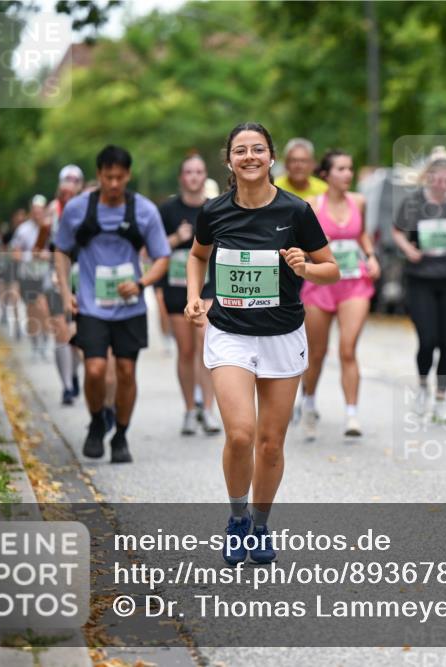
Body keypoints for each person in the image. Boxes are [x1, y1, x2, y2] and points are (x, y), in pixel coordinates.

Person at [184, 122, 337, 565]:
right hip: (229, 332)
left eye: (257, 149)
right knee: (240, 435)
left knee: (270, 443)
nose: (249, 157)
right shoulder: (214, 211)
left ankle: (261, 524)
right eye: (240, 150)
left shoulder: (296, 211)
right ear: (229, 160)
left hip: (283, 336)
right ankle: (237, 519)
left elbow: (331, 269)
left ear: (271, 157)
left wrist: (305, 268)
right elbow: (197, 255)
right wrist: (194, 296)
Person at [54, 145, 170, 463]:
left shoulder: (144, 211)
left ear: (128, 175)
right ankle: (96, 422)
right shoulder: (78, 209)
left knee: (126, 371)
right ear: (99, 175)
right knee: (94, 370)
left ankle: (120, 434)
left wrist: (141, 283)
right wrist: (65, 292)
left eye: (120, 177)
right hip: (91, 305)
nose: (114, 184)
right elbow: (61, 250)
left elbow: (162, 256)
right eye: (108, 177)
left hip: (130, 306)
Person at [392, 147, 446, 421]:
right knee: (427, 339)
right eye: (439, 179)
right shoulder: (413, 203)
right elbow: (397, 231)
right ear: (429, 177)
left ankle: (441, 398)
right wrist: (409, 250)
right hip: (420, 279)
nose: (443, 184)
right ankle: (422, 386)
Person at [297, 150, 380, 439]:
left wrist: (371, 256)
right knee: (317, 353)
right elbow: (299, 244)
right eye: (341, 169)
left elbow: (362, 233)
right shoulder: (312, 204)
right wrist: (314, 248)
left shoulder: (359, 201)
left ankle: (352, 415)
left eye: (350, 169)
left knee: (348, 349)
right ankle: (308, 404)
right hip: (319, 285)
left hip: (354, 282)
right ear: (326, 174)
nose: (348, 174)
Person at [157, 153, 221, 435]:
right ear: (181, 178)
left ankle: (208, 409)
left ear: (205, 176)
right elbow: (151, 249)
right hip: (177, 287)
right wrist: (176, 238)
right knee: (185, 350)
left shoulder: (215, 209)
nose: (194, 177)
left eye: (199, 171)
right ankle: (188, 409)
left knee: (205, 342)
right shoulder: (168, 210)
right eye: (189, 172)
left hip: (207, 285)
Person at [47, 165, 85, 405]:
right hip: (56, 276)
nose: (69, 189)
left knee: (77, 335)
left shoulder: (87, 208)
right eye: (66, 184)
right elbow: (44, 244)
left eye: (75, 183)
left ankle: (73, 372)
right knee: (61, 331)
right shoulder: (52, 211)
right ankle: (67, 387)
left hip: (81, 276)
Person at [10, 196, 52, 358]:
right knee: (32, 311)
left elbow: (57, 249)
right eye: (35, 211)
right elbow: (16, 253)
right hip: (28, 275)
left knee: (44, 308)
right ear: (31, 211)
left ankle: (45, 342)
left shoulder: (49, 228)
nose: (37, 214)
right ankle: (35, 345)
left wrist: (47, 256)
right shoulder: (23, 230)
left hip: (44, 274)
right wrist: (28, 257)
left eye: (40, 211)